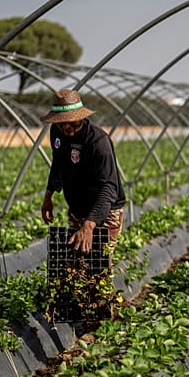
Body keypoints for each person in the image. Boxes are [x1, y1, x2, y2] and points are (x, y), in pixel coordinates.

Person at [40, 89, 126, 255]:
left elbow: (108, 187)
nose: (66, 127)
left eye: (71, 121)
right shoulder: (57, 132)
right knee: (76, 260)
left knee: (98, 262)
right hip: (77, 209)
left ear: (81, 116)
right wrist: (48, 196)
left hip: (105, 210)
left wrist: (89, 225)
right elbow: (58, 163)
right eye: (61, 122)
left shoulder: (98, 142)